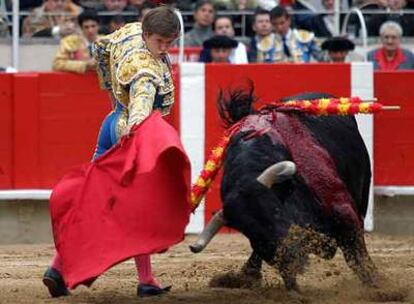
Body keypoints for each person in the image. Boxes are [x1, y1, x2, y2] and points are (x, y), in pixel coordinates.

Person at [42, 5, 181, 298]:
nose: (165, 48)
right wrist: (136, 134)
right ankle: (146, 280)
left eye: (170, 42)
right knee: (138, 210)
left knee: (93, 202)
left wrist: (110, 89)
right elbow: (142, 106)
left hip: (111, 123)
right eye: (160, 42)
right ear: (147, 34)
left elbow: (101, 46)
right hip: (130, 134)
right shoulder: (145, 70)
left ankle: (57, 268)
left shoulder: (129, 31)